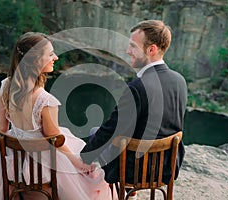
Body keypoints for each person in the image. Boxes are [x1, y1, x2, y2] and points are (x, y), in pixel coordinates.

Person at [0, 32, 114, 200]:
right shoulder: (46, 101)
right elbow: (55, 139)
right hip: (40, 163)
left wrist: (1, 155)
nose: (56, 58)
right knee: (86, 172)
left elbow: (2, 129)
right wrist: (76, 162)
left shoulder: (5, 85)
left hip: (13, 161)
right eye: (50, 54)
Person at [80, 20, 187, 186]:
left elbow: (112, 128)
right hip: (167, 167)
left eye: (133, 47)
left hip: (135, 170)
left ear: (151, 50)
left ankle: (123, 193)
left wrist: (85, 158)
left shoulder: (137, 87)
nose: (128, 51)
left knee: (96, 132)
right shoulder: (179, 80)